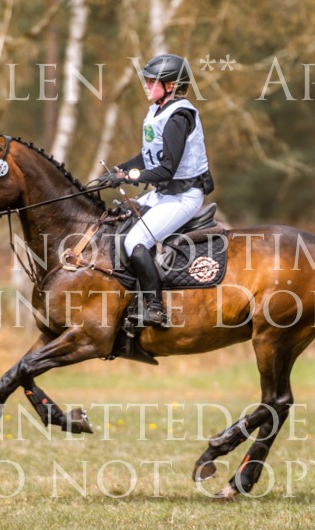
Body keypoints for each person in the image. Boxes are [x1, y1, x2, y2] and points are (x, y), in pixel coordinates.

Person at [103, 54, 215, 328]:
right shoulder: (157, 111)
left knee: (134, 241)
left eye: (153, 81)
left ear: (171, 86)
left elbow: (166, 169)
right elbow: (147, 157)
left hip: (183, 196)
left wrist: (128, 177)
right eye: (147, 80)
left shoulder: (179, 117)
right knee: (117, 224)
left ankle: (155, 308)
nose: (147, 85)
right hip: (164, 194)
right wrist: (118, 170)